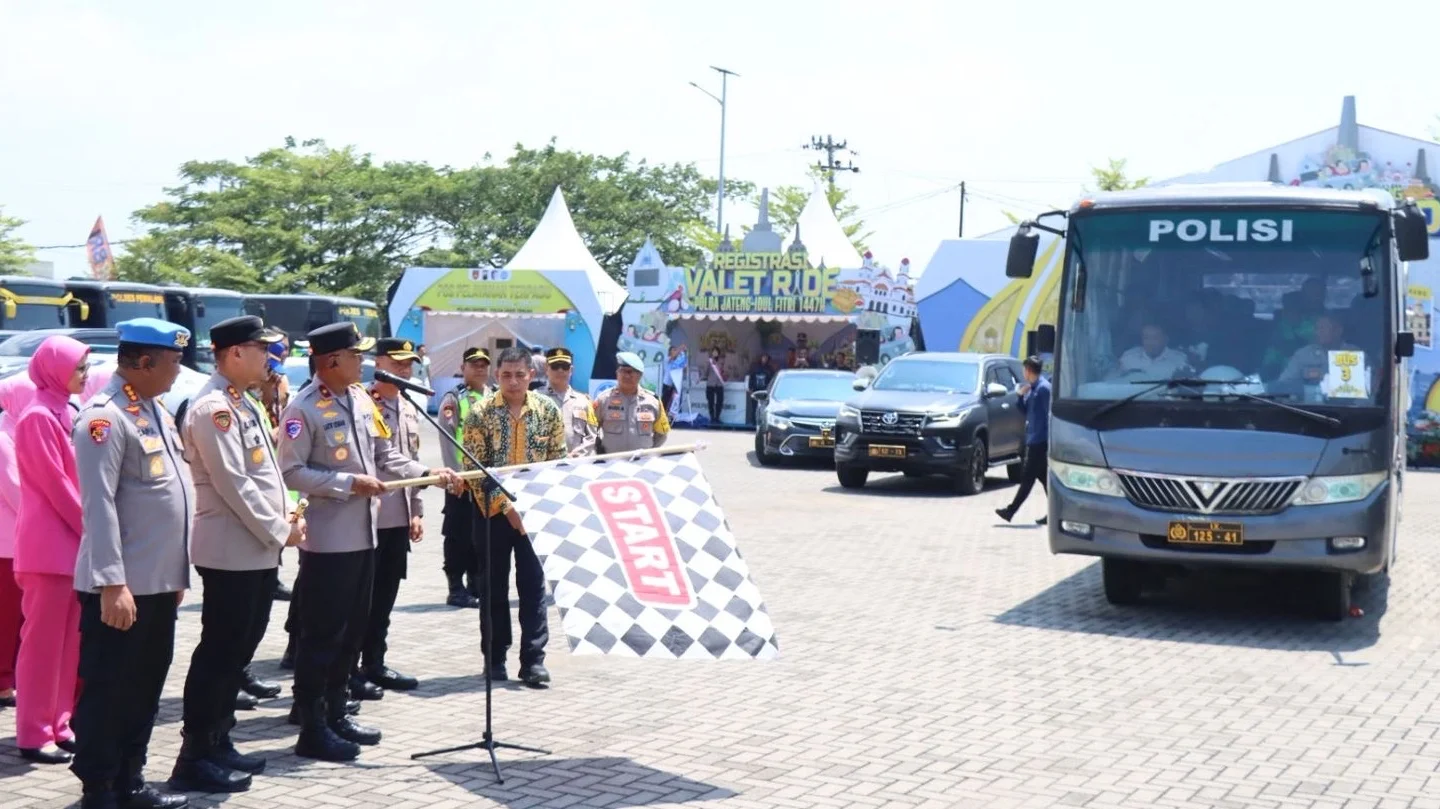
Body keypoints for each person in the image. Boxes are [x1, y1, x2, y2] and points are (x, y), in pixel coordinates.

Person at [278, 322, 459, 762]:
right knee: (321, 635)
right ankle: (312, 725)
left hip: (365, 536)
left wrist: (426, 474)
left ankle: (337, 713)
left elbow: (383, 455)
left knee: (351, 631)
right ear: (331, 361)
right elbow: (291, 473)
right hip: (328, 542)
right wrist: (347, 482)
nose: (362, 362)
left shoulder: (359, 399)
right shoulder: (303, 408)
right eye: (355, 355)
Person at [168, 316, 299, 794]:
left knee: (238, 650)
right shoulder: (212, 409)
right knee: (220, 654)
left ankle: (219, 739)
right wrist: (280, 528)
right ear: (235, 353)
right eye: (262, 349)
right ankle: (194, 753)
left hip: (257, 547)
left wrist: (289, 513)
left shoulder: (242, 404)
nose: (270, 358)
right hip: (231, 549)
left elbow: (267, 475)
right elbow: (234, 484)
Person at [70, 319, 193, 809]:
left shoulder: (153, 409)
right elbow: (98, 504)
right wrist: (111, 583)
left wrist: (175, 573)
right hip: (121, 586)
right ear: (143, 363)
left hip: (157, 582)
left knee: (145, 684)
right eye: (172, 361)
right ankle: (99, 786)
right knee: (108, 688)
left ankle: (130, 779)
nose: (177, 370)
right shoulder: (103, 417)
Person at [461, 346, 566, 686]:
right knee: (492, 587)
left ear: (531, 376)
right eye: (506, 375)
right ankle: (494, 659)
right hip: (491, 514)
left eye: (520, 375)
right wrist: (508, 508)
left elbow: (556, 464)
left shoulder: (548, 411)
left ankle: (533, 660)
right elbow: (474, 469)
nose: (513, 381)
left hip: (535, 513)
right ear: (497, 375)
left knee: (533, 588)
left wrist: (530, 507)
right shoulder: (479, 413)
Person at [12, 336, 90, 766]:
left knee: (68, 644)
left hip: (74, 545)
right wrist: (93, 526)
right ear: (55, 369)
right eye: (77, 367)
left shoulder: (67, 410)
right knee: (42, 645)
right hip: (49, 547)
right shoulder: (38, 417)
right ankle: (33, 731)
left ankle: (59, 724)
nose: (83, 374)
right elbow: (56, 485)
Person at [358, 338, 426, 693]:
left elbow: (410, 458)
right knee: (362, 600)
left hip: (398, 517)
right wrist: (430, 473)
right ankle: (350, 669)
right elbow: (386, 460)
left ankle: (375, 662)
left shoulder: (409, 407)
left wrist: (416, 510)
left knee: (385, 597)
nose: (405, 369)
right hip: (369, 518)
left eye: (409, 363)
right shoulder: (365, 404)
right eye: (398, 363)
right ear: (379, 362)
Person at [436, 347, 493, 608]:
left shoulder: (495, 396)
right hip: (462, 481)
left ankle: (476, 584)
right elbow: (448, 440)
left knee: (480, 535)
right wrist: (456, 476)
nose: (479, 369)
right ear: (463, 367)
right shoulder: (454, 398)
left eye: (483, 364)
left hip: (486, 481)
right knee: (458, 536)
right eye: (474, 364)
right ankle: (456, 588)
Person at [0, 374, 36, 711]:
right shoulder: (3, 438)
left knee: (19, 617)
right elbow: (16, 491)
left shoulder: (20, 432)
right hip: (6, 544)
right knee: (7, 617)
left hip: (21, 541)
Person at [996, 356, 1051, 526]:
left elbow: (1049, 415)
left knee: (1027, 479)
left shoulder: (1043, 389)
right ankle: (1057, 513)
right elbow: (1024, 410)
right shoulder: (1032, 388)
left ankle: (1010, 511)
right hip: (1033, 439)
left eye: (1024, 369)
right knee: (1045, 480)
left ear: (1028, 370)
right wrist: (1020, 396)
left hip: (1040, 442)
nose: (1023, 373)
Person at [593, 352, 670, 453]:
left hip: (641, 463)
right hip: (610, 461)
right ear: (617, 373)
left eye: (630, 372)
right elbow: (591, 429)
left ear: (640, 375)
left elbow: (662, 433)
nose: (626, 376)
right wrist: (599, 448)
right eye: (622, 371)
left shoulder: (653, 401)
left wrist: (648, 451)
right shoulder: (603, 400)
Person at [541, 347, 598, 457]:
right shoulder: (535, 399)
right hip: (545, 465)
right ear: (546, 369)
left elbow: (592, 435)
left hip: (577, 464)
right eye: (555, 366)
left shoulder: (584, 401)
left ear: (571, 370)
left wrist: (576, 455)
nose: (560, 370)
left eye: (565, 367)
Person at [1116, 323, 1188, 379]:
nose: (1150, 343)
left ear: (1166, 339)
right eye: (1146, 338)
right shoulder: (1127, 358)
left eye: (1155, 338)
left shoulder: (1179, 360)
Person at [745, 354, 776, 426]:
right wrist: (750, 388)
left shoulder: (770, 369)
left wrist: (771, 390)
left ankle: (763, 422)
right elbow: (751, 378)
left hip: (765, 391)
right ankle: (754, 422)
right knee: (754, 407)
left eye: (766, 358)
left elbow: (772, 379)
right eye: (763, 357)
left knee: (764, 407)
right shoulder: (755, 367)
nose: (764, 359)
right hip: (755, 390)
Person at [702, 348, 726, 424]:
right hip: (710, 384)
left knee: (720, 401)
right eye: (713, 351)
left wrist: (717, 364)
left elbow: (723, 371)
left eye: (716, 351)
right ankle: (712, 418)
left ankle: (717, 417)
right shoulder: (709, 361)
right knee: (710, 402)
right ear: (712, 352)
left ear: (718, 353)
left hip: (719, 384)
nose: (715, 353)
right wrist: (709, 364)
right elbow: (705, 373)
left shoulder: (722, 361)